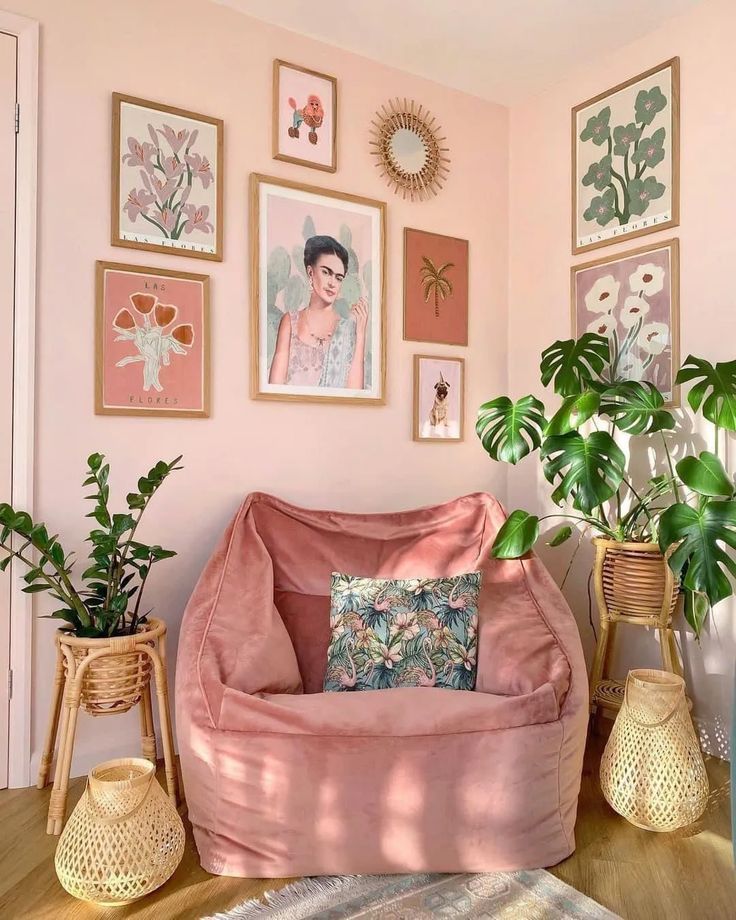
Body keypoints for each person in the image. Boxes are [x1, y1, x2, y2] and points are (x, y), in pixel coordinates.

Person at [268, 235, 369, 388]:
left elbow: (355, 395)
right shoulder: (290, 322)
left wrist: (360, 335)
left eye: (338, 277)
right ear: (310, 272)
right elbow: (274, 388)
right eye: (326, 272)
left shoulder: (348, 328)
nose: (332, 283)